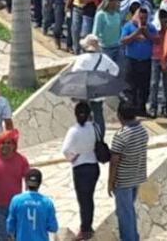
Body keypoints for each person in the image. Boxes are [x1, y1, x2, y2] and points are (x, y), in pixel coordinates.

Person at [108, 102, 149, 241]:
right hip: (136, 177)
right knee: (129, 210)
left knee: (125, 214)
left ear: (120, 116)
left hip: (123, 181)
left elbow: (114, 162)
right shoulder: (142, 131)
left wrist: (110, 182)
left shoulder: (121, 135)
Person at [0, 129, 30, 241]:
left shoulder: (21, 160)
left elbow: (28, 180)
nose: (5, 146)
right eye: (2, 143)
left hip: (16, 207)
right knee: (1, 237)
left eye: (9, 143)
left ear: (14, 145)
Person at [61, 101, 100, 241]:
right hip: (94, 166)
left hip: (80, 167)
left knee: (83, 200)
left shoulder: (74, 131)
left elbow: (65, 150)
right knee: (89, 198)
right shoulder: (95, 127)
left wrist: (73, 157)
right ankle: (88, 225)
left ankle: (85, 229)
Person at [71, 35, 120, 139]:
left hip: (85, 91)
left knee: (84, 114)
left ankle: (86, 136)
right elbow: (115, 69)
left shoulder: (82, 59)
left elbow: (75, 73)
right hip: (99, 90)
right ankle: (100, 137)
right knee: (98, 115)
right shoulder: (104, 58)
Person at [6, 169, 59, 241]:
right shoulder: (47, 203)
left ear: (26, 182)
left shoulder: (16, 200)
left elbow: (10, 226)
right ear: (40, 183)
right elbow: (53, 227)